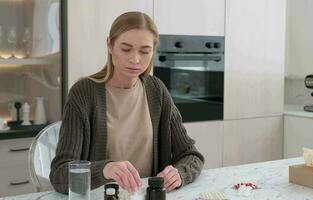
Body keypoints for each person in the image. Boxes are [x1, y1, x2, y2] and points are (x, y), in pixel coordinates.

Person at [50, 11, 204, 194]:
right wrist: (105, 169)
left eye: (145, 51)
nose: (135, 60)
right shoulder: (84, 93)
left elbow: (191, 155)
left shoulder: (156, 90)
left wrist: (179, 173)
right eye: (126, 49)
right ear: (110, 45)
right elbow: (60, 173)